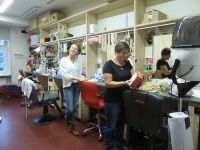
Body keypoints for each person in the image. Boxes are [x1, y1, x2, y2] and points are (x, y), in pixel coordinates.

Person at [103, 41, 134, 150]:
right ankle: (109, 146)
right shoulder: (108, 65)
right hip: (112, 100)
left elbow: (132, 76)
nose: (126, 55)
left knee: (121, 123)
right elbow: (108, 83)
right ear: (117, 52)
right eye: (124, 53)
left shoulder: (127, 63)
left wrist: (137, 78)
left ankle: (119, 144)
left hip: (125, 99)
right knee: (111, 125)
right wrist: (124, 83)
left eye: (127, 53)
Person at [59, 42, 84, 136]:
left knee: (74, 106)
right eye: (72, 48)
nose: (73, 49)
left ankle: (70, 123)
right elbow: (64, 75)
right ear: (69, 49)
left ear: (78, 52)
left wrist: (82, 77)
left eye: (75, 49)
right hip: (68, 85)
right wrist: (76, 78)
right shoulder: (63, 60)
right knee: (70, 108)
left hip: (76, 86)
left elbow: (80, 73)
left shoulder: (78, 61)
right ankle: (71, 123)